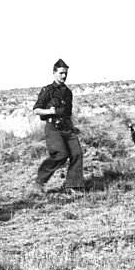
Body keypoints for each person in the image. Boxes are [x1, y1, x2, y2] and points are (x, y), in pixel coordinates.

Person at [33, 59, 85, 191]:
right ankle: (40, 181)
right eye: (61, 73)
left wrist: (73, 127)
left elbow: (68, 112)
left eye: (66, 73)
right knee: (60, 154)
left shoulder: (68, 92)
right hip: (53, 128)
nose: (64, 76)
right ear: (54, 73)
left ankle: (73, 186)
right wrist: (50, 111)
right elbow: (36, 109)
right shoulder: (48, 90)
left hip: (67, 127)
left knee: (77, 153)